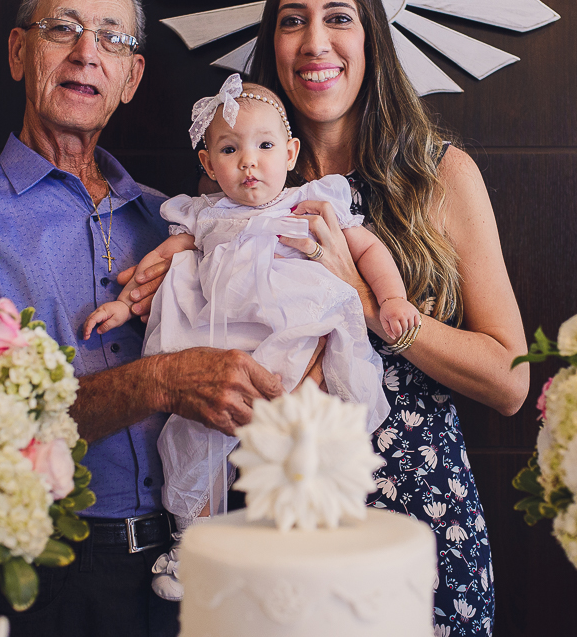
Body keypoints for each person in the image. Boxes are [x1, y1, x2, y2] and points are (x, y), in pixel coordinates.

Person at [0, 0, 283, 637]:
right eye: (62, 29)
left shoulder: (179, 220)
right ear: (20, 53)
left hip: (194, 556)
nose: (86, 53)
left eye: (112, 38)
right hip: (42, 568)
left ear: (131, 80)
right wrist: (160, 381)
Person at [246, 0, 532, 636]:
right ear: (272, 44)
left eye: (338, 18)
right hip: (281, 512)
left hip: (420, 515)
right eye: (292, 21)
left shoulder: (439, 175)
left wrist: (371, 306)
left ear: (371, 36)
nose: (315, 42)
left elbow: (509, 379)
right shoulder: (242, 182)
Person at [84, 76, 414, 598]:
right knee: (192, 437)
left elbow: (367, 249)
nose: (248, 162)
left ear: (291, 151)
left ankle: (308, 537)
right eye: (229, 149)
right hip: (220, 349)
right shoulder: (205, 215)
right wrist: (124, 303)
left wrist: (391, 299)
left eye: (264, 147)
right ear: (207, 164)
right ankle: (193, 544)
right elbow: (159, 264)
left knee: (304, 438)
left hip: (295, 338)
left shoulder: (310, 203)